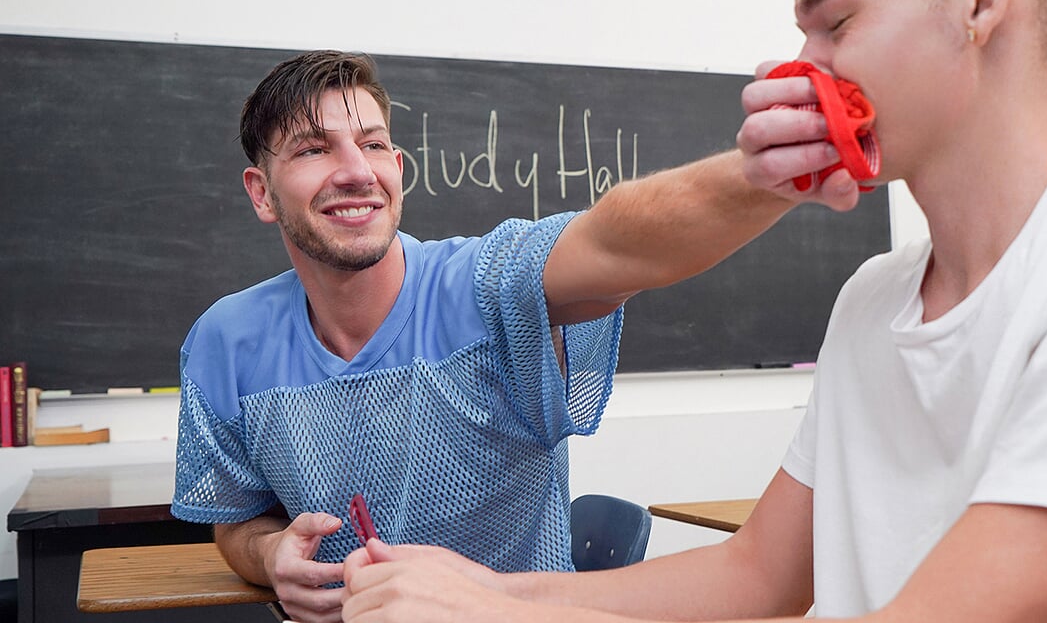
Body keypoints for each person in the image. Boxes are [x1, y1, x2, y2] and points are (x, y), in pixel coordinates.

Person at [339, 0, 1047, 621]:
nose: (804, 68)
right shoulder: (874, 299)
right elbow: (759, 574)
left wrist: (500, 619)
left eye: (833, 23)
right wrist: (498, 591)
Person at [169, 50, 801, 623]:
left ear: (399, 168)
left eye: (373, 144)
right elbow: (235, 522)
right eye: (314, 149)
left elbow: (621, 243)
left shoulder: (487, 286)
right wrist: (270, 552)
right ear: (262, 193)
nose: (356, 170)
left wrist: (783, 165)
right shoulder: (227, 342)